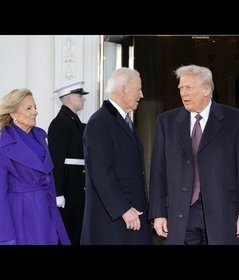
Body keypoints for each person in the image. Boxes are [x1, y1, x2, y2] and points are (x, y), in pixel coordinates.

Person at [148, 64, 239, 245]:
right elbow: (158, 171)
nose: (183, 93)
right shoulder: (166, 122)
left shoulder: (235, 120)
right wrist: (158, 213)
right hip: (181, 214)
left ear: (206, 89)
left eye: (188, 88)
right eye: (181, 88)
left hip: (223, 213)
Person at [80, 67, 153, 245]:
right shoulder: (100, 122)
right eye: (138, 89)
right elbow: (100, 173)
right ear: (123, 89)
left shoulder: (122, 120)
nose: (141, 95)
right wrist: (124, 209)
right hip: (114, 222)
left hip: (130, 219)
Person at [0, 88, 70, 245]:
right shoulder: (3, 143)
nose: (35, 112)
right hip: (20, 213)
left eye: (35, 107)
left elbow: (49, 177)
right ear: (13, 114)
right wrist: (5, 235)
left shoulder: (40, 136)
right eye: (29, 108)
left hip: (45, 209)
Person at [47, 81, 89, 245]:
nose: (83, 100)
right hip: (69, 187)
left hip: (78, 187)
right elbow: (55, 160)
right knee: (68, 232)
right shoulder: (60, 123)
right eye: (80, 96)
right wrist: (58, 193)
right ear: (69, 99)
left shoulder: (75, 122)